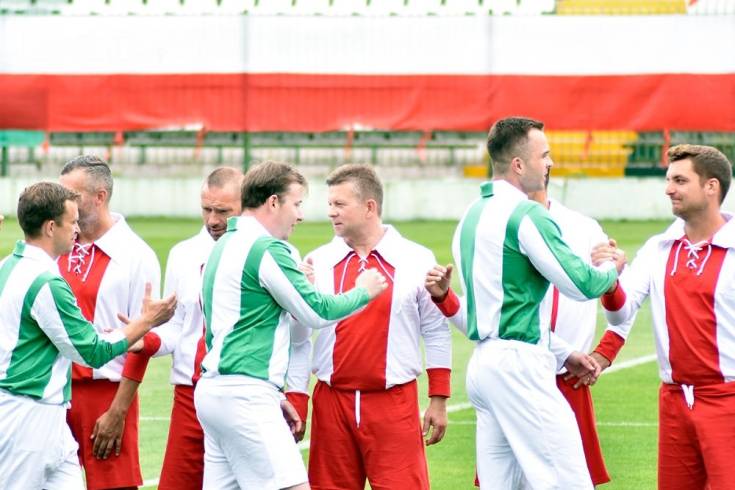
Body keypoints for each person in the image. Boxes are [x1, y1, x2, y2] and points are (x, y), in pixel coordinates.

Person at [425, 116, 625, 489]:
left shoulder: (471, 214)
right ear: (519, 164)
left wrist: (563, 352)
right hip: (519, 364)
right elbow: (581, 284)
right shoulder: (527, 214)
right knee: (570, 481)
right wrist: (612, 267)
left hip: (485, 364)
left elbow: (489, 309)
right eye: (544, 156)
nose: (550, 163)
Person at [194, 161, 388, 490]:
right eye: (296, 204)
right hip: (245, 396)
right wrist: (363, 292)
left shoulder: (223, 244)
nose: (300, 215)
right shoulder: (267, 248)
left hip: (215, 393)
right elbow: (317, 312)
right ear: (273, 202)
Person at [0, 182, 176, 490]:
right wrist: (146, 321)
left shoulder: (7, 267)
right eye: (72, 222)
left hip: (46, 417)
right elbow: (91, 351)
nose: (77, 229)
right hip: (27, 419)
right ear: (51, 227)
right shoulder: (46, 282)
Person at [294, 164, 452, 490]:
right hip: (331, 404)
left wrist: (438, 398)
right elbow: (299, 337)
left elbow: (436, 330)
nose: (330, 212)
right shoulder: (317, 262)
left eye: (340, 204)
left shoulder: (416, 258)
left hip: (394, 404)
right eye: (329, 204)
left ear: (370, 207)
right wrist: (297, 398)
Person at [594, 144, 735, 490]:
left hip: (728, 401)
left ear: (711, 186)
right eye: (669, 180)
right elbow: (620, 313)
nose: (669, 189)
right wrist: (610, 278)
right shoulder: (658, 247)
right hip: (673, 402)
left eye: (680, 180)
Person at [58, 155, 161, 490]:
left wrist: (118, 411)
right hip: (54, 391)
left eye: (72, 195)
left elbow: (143, 339)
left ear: (99, 197)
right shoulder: (55, 244)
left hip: (107, 394)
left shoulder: (136, 255)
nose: (63, 203)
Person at [143, 167, 244, 490]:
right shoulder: (183, 254)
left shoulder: (269, 252)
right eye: (206, 209)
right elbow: (176, 327)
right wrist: (143, 338)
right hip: (190, 395)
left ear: (245, 206)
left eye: (223, 211)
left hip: (244, 394)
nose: (212, 220)